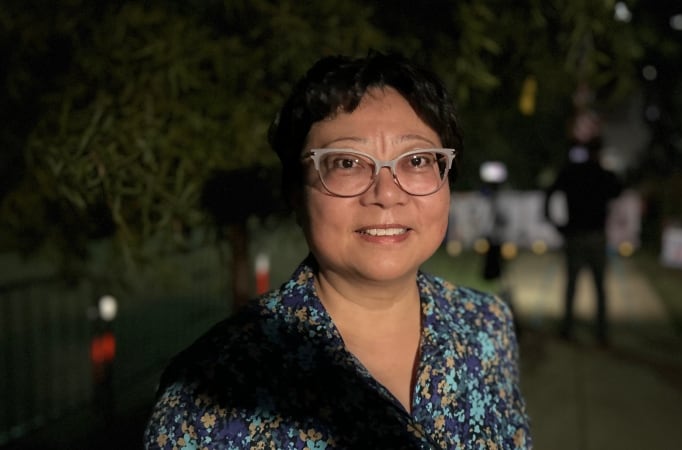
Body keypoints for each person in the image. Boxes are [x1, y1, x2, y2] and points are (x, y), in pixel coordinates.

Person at [144, 51, 532, 449]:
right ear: (296, 194)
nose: (386, 194)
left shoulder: (487, 327)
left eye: (416, 160)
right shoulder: (209, 393)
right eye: (347, 163)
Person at [544, 137, 622, 345]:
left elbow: (549, 193)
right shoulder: (603, 175)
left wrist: (554, 222)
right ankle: (601, 333)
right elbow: (619, 190)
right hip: (594, 236)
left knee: (572, 284)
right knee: (599, 286)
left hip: (576, 235)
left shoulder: (572, 172)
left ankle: (568, 329)